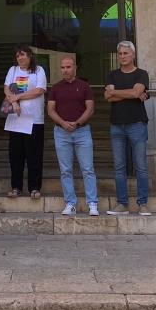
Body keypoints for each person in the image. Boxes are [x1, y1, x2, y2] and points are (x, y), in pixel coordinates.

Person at [46, 55, 98, 217]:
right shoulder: (55, 88)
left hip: (82, 131)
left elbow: (90, 108)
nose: (65, 70)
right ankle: (70, 203)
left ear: (75, 68)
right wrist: (63, 123)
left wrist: (77, 123)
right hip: (61, 133)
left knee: (88, 169)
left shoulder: (84, 86)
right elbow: (50, 110)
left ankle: (92, 203)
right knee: (65, 170)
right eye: (62, 67)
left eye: (68, 67)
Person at [104, 40, 151, 216]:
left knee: (141, 166)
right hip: (116, 124)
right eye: (120, 54)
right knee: (119, 166)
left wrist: (116, 92)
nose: (122, 56)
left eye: (125, 53)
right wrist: (130, 93)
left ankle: (143, 203)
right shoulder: (112, 74)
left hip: (137, 124)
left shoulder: (141, 74)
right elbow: (108, 98)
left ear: (133, 54)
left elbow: (136, 93)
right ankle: (121, 204)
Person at [3, 44, 47, 199]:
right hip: (16, 119)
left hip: (34, 119)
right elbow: (7, 89)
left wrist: (18, 97)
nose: (20, 58)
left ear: (30, 56)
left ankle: (34, 187)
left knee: (34, 154)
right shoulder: (12, 70)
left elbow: (39, 90)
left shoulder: (39, 70)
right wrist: (14, 103)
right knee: (16, 155)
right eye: (17, 55)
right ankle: (16, 187)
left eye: (23, 54)